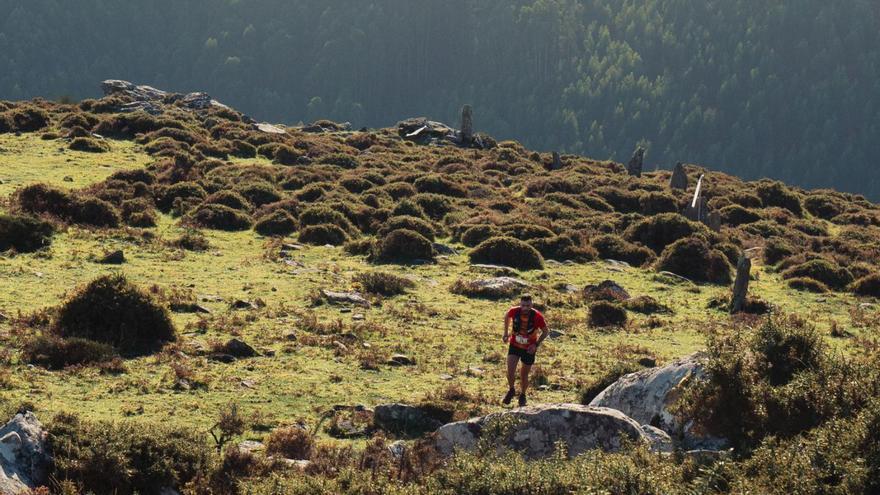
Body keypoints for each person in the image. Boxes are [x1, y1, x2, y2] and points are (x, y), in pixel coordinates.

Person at [502, 294, 548, 407]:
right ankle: (511, 390)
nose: (525, 308)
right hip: (514, 345)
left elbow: (545, 331)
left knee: (524, 374)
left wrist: (536, 345)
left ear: (532, 304)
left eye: (528, 305)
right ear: (520, 304)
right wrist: (506, 333)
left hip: (529, 349)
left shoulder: (537, 317)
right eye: (523, 305)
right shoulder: (514, 311)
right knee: (510, 371)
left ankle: (522, 395)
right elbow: (507, 316)